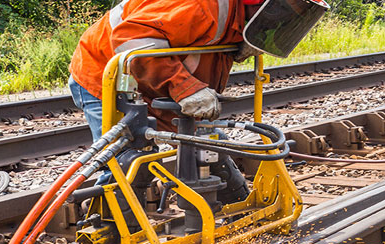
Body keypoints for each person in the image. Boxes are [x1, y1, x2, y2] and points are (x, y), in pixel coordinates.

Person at [67, 0, 264, 184]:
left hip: (154, 82)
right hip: (108, 75)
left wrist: (239, 41)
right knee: (130, 163)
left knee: (208, 148)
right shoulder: (201, 4)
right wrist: (186, 89)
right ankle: (112, 219)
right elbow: (131, 39)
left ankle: (233, 210)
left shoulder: (232, 14)